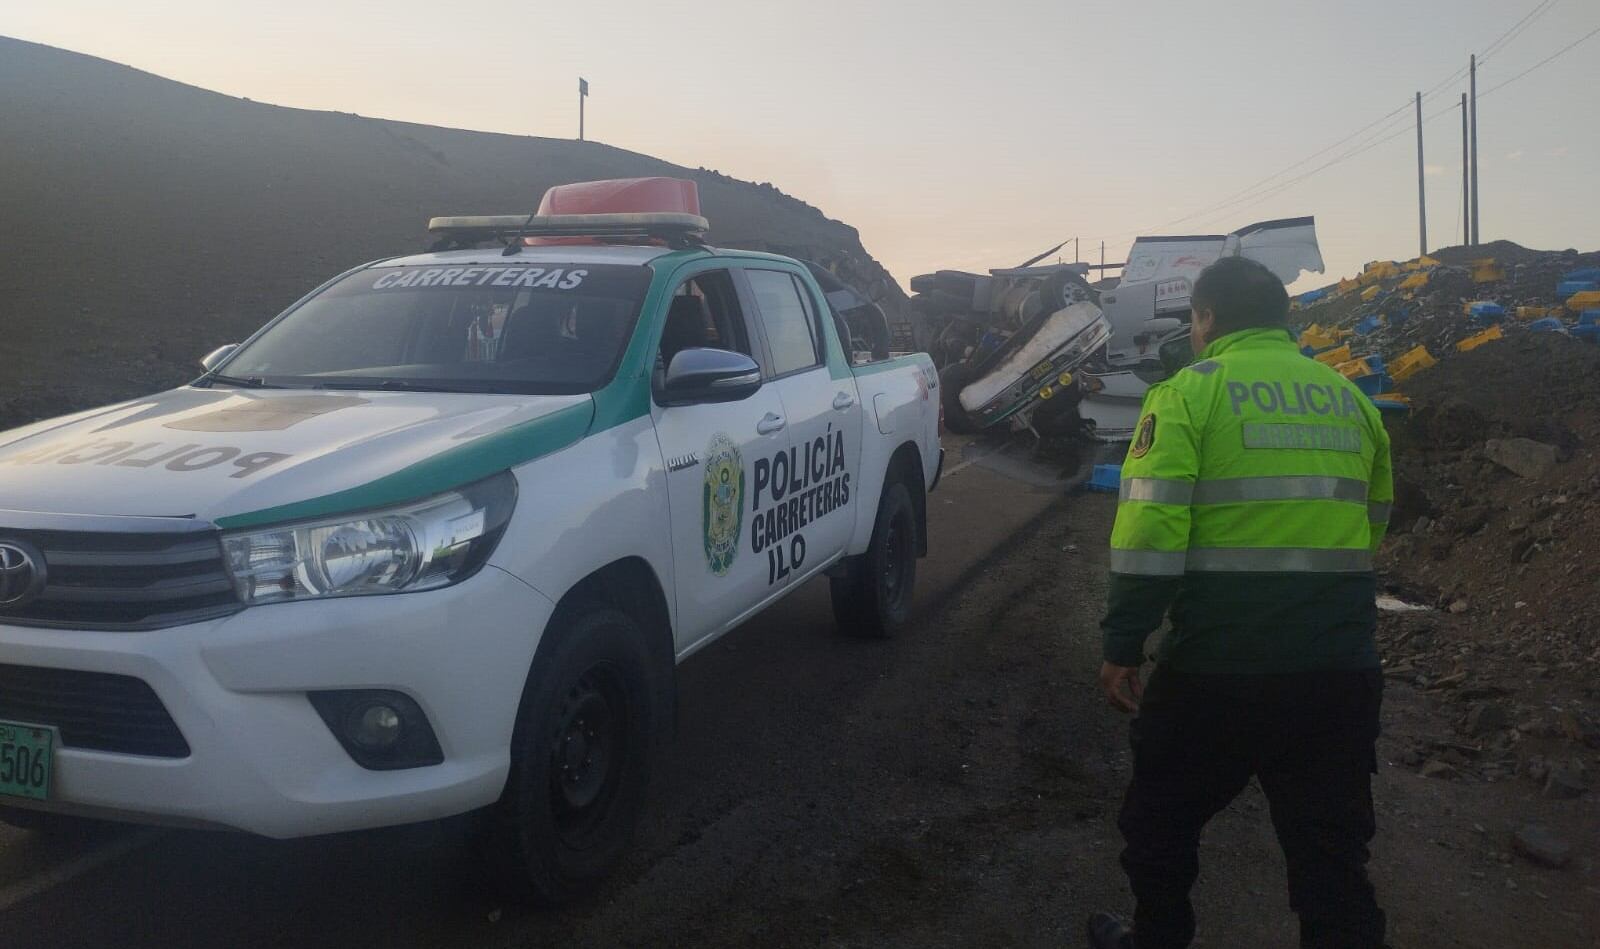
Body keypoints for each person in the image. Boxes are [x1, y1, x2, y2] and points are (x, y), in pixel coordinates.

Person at [1086, 256, 1393, 949]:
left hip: (1217, 665)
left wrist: (1122, 645)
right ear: (1284, 320)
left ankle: (1157, 937)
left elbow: (1149, 535)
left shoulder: (1189, 394)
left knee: (1159, 821)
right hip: (1337, 669)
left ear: (1207, 317)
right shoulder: (1349, 399)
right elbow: (1372, 521)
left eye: (1194, 319)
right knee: (1331, 855)